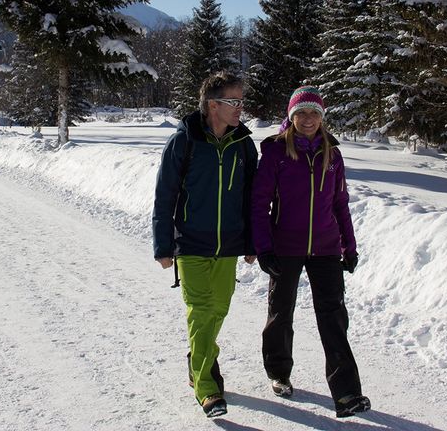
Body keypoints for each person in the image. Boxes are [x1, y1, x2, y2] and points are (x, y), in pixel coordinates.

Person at [250, 85, 371, 418]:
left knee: (333, 318)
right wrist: (264, 247)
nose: (307, 119)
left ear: (322, 117)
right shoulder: (276, 152)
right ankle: (278, 371)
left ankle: (347, 394)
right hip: (284, 246)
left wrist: (349, 245)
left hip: (327, 247)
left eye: (314, 113)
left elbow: (340, 203)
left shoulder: (332, 154)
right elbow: (259, 203)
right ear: (291, 117)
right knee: (281, 311)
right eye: (301, 113)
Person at [152, 71, 258, 418]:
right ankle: (207, 388)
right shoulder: (184, 141)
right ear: (213, 104)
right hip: (192, 243)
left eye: (241, 101)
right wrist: (163, 245)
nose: (240, 108)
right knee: (200, 311)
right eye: (234, 101)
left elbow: (251, 197)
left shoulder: (244, 143)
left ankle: (198, 359)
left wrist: (253, 241)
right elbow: (165, 194)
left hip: (228, 243)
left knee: (219, 309)